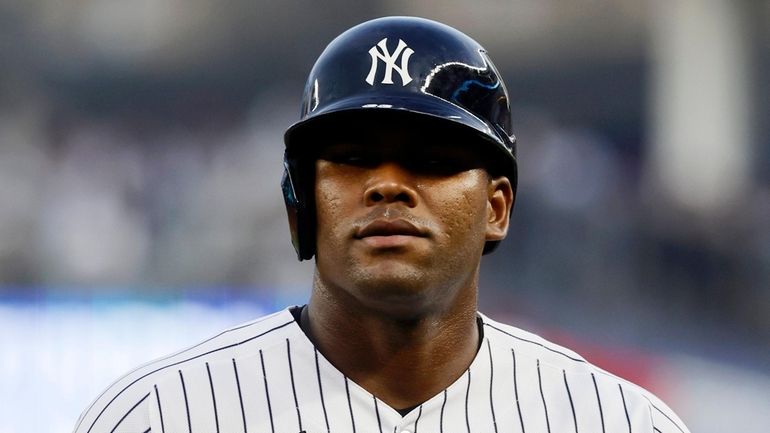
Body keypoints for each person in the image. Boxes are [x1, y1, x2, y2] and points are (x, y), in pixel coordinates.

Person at [73, 16, 690, 433]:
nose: (389, 184)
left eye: (432, 159)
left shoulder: (618, 423)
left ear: (496, 208)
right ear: (300, 204)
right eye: (353, 157)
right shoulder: (160, 416)